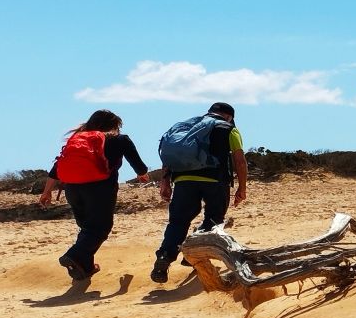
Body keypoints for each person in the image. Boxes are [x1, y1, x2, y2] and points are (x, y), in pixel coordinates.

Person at [39, 109, 150, 280]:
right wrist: (142, 174)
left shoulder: (77, 140)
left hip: (73, 189)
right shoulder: (119, 139)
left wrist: (46, 192)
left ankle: (86, 267)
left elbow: (56, 169)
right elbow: (139, 167)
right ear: (114, 125)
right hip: (100, 189)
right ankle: (74, 255)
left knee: (88, 228)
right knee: (100, 228)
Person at [151, 102, 248, 283]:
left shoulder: (186, 127)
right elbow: (239, 160)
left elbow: (169, 157)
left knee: (178, 222)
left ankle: (164, 256)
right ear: (229, 117)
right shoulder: (228, 128)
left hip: (183, 180)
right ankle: (192, 255)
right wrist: (242, 188)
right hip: (215, 180)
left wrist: (165, 183)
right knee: (213, 220)